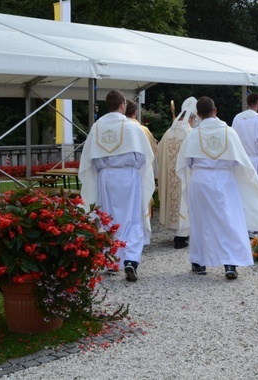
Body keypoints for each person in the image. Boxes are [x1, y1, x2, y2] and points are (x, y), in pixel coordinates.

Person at [176, 96, 258, 280]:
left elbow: (187, 161)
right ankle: (230, 263)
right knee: (228, 219)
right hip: (224, 180)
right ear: (215, 110)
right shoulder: (229, 133)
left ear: (198, 115)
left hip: (201, 179)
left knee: (200, 220)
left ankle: (199, 262)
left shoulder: (193, 134)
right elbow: (238, 161)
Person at [79, 90, 155, 282]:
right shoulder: (131, 127)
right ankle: (130, 260)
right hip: (128, 176)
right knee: (131, 218)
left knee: (108, 218)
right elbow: (144, 158)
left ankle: (111, 260)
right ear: (123, 104)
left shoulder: (97, 127)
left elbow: (90, 159)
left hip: (105, 177)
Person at [155, 96, 197, 249]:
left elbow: (158, 154)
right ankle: (182, 236)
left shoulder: (168, 132)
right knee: (185, 202)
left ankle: (179, 233)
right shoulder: (190, 133)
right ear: (191, 118)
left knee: (176, 201)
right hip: (184, 175)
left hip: (171, 176)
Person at [231, 92, 258, 181]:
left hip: (240, 159)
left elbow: (233, 138)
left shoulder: (237, 118)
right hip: (254, 160)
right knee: (255, 189)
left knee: (242, 188)